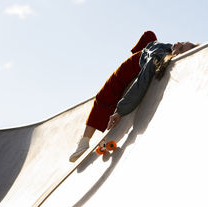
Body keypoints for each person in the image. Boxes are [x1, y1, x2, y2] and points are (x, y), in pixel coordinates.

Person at [69, 31, 198, 162]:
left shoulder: (157, 57)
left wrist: (120, 111)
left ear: (177, 55)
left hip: (133, 64)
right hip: (146, 49)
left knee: (104, 95)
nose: (178, 43)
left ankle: (84, 141)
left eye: (180, 47)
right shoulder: (167, 48)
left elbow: (141, 84)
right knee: (149, 35)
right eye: (182, 42)